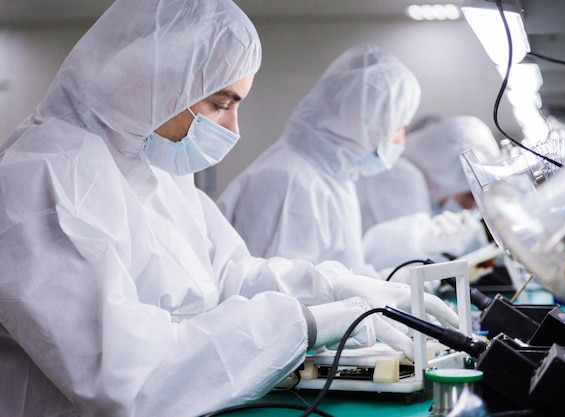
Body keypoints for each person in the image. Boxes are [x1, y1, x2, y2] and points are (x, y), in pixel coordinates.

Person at [0, 1, 458, 416]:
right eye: (221, 104)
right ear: (157, 82)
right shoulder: (44, 177)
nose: (233, 127)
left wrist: (334, 288)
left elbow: (228, 276)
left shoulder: (159, 172)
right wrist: (308, 323)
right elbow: (128, 382)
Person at [217, 43, 421, 279]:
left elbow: (344, 275)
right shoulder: (288, 181)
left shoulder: (335, 180)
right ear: (366, 121)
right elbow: (274, 295)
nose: (400, 141)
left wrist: (405, 285)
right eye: (399, 127)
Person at [356, 115, 501, 271]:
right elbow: (416, 259)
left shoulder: (419, 175)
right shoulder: (401, 177)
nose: (468, 207)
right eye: (468, 195)